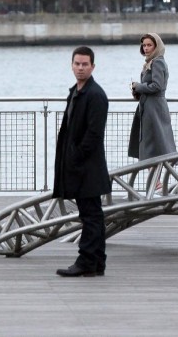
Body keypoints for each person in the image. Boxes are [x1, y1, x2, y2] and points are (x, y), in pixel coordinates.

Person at [53, 46, 111, 277]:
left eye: (84, 64)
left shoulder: (95, 95)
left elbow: (94, 135)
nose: (80, 68)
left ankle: (86, 260)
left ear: (92, 67)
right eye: (77, 64)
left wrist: (75, 158)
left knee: (91, 216)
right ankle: (96, 262)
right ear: (71, 65)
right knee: (92, 214)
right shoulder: (77, 92)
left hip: (87, 167)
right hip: (81, 165)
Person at [128, 33, 177, 163]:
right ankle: (157, 181)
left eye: (149, 45)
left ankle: (157, 182)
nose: (146, 48)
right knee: (152, 145)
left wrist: (139, 86)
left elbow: (157, 86)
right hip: (149, 107)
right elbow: (150, 87)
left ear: (157, 46)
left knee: (155, 145)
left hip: (154, 109)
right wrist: (137, 91)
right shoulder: (150, 63)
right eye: (144, 45)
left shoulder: (158, 62)